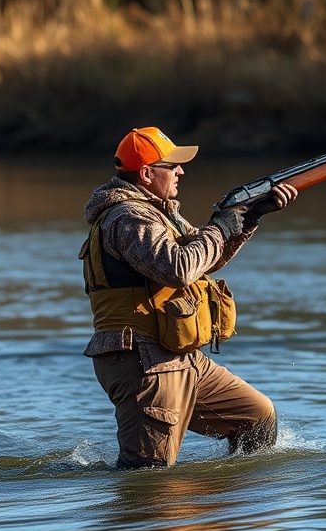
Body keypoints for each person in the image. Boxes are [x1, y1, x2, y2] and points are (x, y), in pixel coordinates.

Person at [80, 126, 297, 469]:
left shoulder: (159, 213)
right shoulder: (129, 217)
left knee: (257, 417)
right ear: (147, 174)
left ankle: (227, 508)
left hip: (178, 354)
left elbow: (203, 260)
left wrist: (248, 218)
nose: (181, 171)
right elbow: (178, 268)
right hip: (145, 362)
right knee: (147, 479)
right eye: (173, 165)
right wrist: (221, 226)